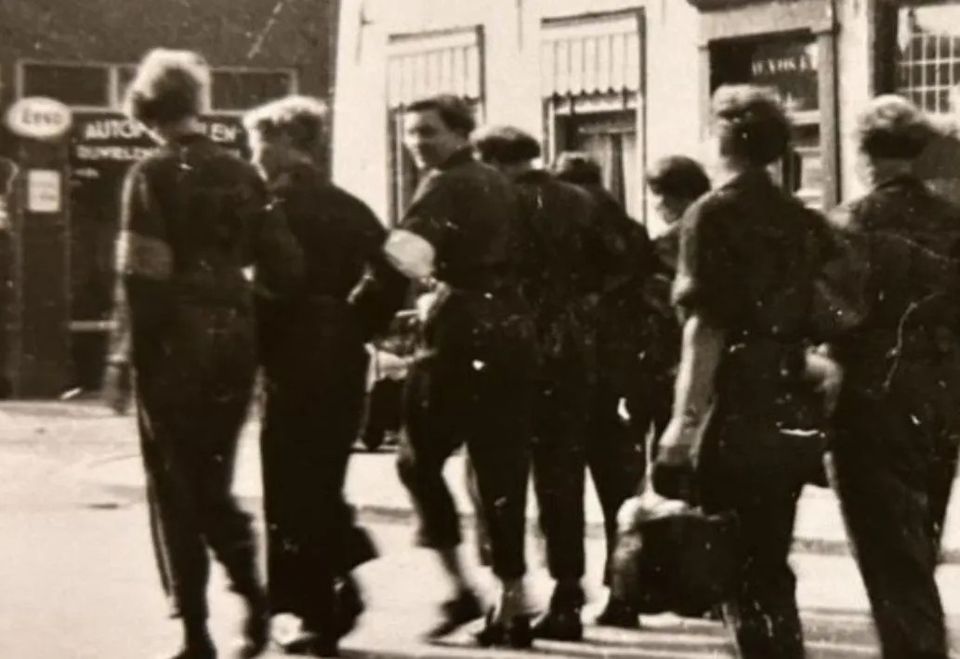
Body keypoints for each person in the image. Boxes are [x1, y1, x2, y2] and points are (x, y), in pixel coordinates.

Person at [103, 48, 303, 659]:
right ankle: (252, 593)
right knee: (212, 476)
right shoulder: (244, 172)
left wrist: (122, 360)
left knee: (175, 484)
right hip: (234, 337)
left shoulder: (151, 174)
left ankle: (198, 628)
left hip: (174, 341)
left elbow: (142, 277)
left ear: (146, 110)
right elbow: (286, 265)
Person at [649, 85, 838, 657]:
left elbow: (705, 328)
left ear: (722, 142)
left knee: (731, 554)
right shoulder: (801, 218)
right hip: (788, 392)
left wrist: (683, 423)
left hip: (731, 400)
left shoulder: (711, 214)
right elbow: (830, 310)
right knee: (769, 549)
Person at [243, 96, 407, 656]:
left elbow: (263, 288)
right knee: (322, 475)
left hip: (289, 353)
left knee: (290, 482)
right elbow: (396, 269)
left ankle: (315, 607)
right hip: (340, 353)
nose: (254, 156)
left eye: (259, 144)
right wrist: (357, 320)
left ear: (288, 142)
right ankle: (333, 582)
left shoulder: (272, 207)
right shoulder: (349, 206)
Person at [385, 95, 537, 648]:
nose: (416, 142)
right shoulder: (500, 182)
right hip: (512, 326)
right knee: (501, 468)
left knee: (416, 459)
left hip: (460, 329)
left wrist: (362, 316)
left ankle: (460, 589)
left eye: (428, 131)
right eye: (410, 133)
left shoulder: (444, 184)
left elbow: (404, 257)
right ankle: (513, 598)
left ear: (459, 133)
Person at [826, 95, 960, 659]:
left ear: (863, 155)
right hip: (942, 398)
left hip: (869, 399)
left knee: (887, 549)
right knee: (919, 538)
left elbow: (828, 314)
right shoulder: (952, 221)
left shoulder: (847, 223)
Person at [473, 126, 603, 641]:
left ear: (492, 162)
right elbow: (614, 266)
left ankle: (511, 602)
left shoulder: (497, 202)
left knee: (499, 479)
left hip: (508, 351)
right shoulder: (581, 200)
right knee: (562, 477)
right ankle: (568, 594)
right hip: (570, 353)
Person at [553, 151, 657, 628]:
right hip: (624, 374)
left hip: (570, 370)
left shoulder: (563, 225)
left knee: (562, 488)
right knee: (621, 491)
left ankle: (567, 595)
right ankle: (624, 592)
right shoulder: (630, 230)